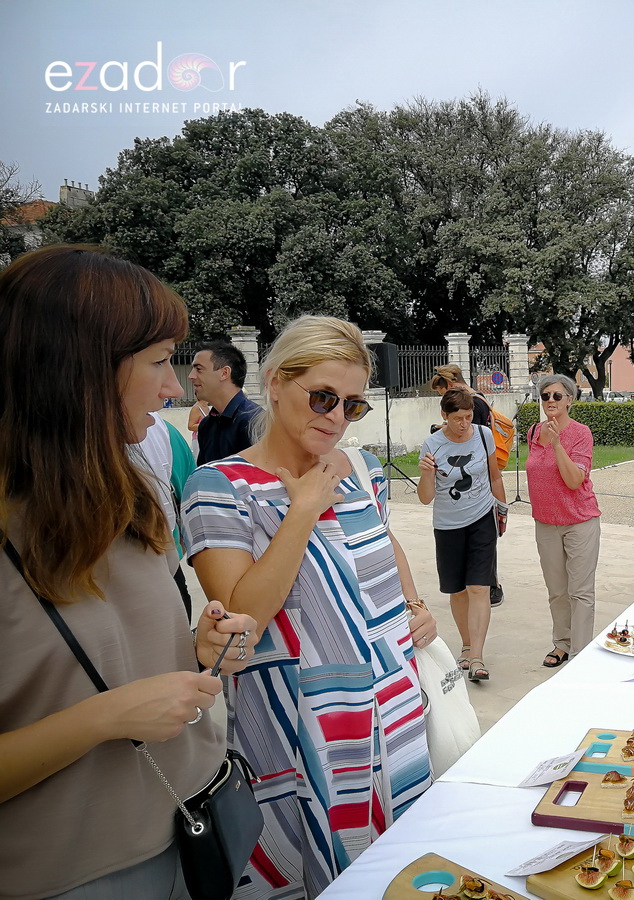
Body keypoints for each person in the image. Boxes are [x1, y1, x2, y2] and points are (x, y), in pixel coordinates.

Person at [0, 244, 257, 898]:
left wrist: (199, 647)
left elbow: (127, 656)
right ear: (79, 369)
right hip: (73, 875)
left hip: (196, 828)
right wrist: (102, 718)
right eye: (160, 360)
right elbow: (107, 700)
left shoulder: (131, 495)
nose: (174, 387)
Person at [183, 315, 436, 898]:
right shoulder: (218, 487)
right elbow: (242, 619)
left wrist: (414, 604)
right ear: (275, 382)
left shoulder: (364, 471)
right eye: (322, 396)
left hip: (393, 706)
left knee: (396, 876)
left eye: (352, 405)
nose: (336, 417)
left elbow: (383, 543)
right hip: (297, 730)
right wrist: (301, 511)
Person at [418, 386, 507, 683]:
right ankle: (467, 646)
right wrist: (427, 473)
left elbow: (495, 476)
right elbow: (425, 498)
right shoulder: (432, 445)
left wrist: (502, 509)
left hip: (482, 519)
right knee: (457, 590)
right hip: (447, 525)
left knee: (479, 587)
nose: (464, 424)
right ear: (444, 415)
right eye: (457, 418)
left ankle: (478, 656)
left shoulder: (483, 435)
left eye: (468, 417)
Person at [525, 374, 603, 668]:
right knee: (557, 590)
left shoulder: (581, 433)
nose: (550, 401)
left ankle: (580, 653)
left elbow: (573, 480)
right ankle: (562, 643)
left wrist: (558, 444)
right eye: (545, 396)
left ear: (570, 399)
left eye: (557, 396)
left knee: (580, 591)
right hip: (545, 522)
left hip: (579, 520)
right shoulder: (534, 432)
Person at [430, 363, 505, 607]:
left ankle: (492, 584)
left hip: (479, 485)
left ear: (450, 384)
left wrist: (501, 507)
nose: (463, 423)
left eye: (443, 392)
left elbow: (476, 441)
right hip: (457, 502)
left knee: (482, 561)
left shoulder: (476, 405)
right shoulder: (470, 403)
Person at [133, 410, 197, 615]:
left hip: (163, 560)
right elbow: (190, 494)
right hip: (163, 560)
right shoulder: (164, 431)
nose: (174, 394)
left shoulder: (161, 431)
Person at [189, 340, 263, 465]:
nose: (191, 376)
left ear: (224, 373)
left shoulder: (254, 421)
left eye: (199, 369)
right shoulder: (206, 425)